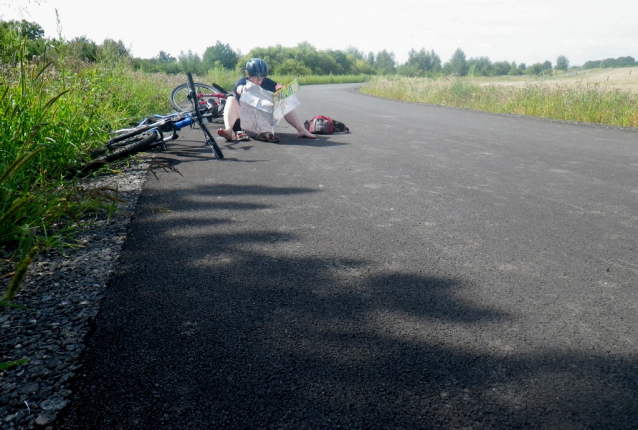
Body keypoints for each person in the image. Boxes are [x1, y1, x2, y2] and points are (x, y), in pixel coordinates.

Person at [216, 58, 317, 143]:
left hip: (262, 126)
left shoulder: (267, 82)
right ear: (248, 75)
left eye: (262, 78)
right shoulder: (243, 82)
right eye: (256, 78)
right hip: (244, 126)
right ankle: (228, 130)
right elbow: (238, 88)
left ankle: (301, 129)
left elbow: (280, 94)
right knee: (230, 99)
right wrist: (242, 89)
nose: (259, 81)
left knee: (283, 100)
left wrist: (282, 90)